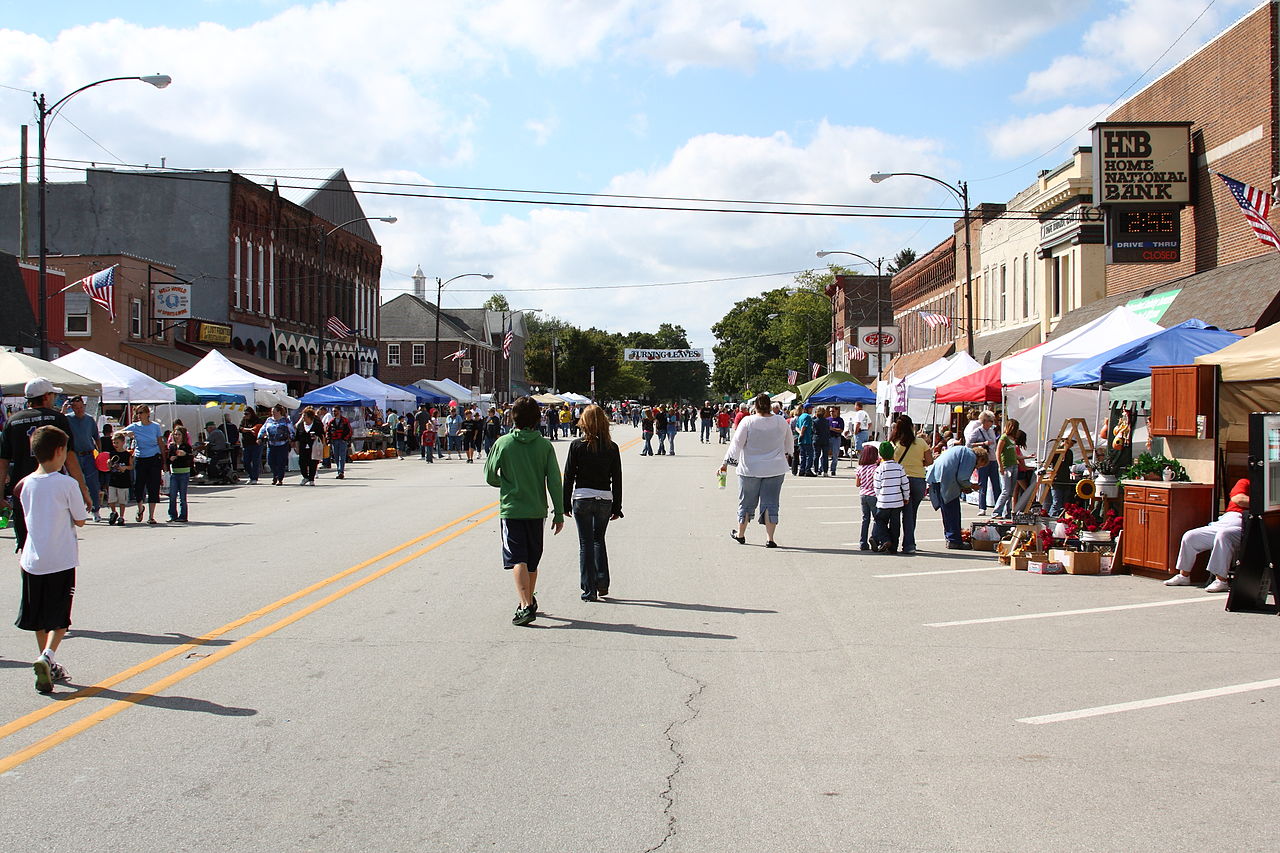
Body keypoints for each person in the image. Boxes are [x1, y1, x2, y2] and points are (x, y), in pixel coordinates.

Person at [15, 425, 89, 693]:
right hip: (61, 559)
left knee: (38, 616)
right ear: (59, 452)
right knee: (59, 619)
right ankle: (47, 656)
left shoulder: (24, 485)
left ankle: (45, 659)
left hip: (33, 560)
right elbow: (80, 519)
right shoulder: (67, 483)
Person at [484, 396, 564, 627]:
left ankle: (526, 605)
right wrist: (558, 512)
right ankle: (528, 598)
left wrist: (508, 484)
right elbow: (554, 482)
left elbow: (490, 476)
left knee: (516, 558)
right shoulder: (545, 446)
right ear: (538, 419)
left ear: (513, 417)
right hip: (537, 510)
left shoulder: (503, 443)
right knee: (531, 560)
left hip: (512, 509)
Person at [0, 379, 92, 550]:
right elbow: (70, 456)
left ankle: (29, 573)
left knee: (26, 544)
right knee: (55, 539)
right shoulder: (58, 419)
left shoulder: (12, 422)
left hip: (23, 489)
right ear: (46, 397)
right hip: (53, 486)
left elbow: (3, 461)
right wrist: (83, 488)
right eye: (53, 395)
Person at [562, 405, 623, 602]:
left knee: (585, 543)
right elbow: (617, 478)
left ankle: (589, 589)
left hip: (583, 497)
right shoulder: (612, 447)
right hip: (605, 498)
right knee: (599, 539)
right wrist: (617, 506)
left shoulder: (577, 445)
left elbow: (569, 476)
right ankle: (602, 582)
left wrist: (565, 503)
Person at [720, 393, 794, 548]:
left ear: (755, 406)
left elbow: (736, 444)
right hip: (775, 468)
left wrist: (726, 463)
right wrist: (788, 455)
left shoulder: (748, 421)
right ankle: (770, 538)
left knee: (746, 502)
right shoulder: (780, 421)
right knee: (771, 503)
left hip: (750, 469)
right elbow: (789, 442)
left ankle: (741, 534)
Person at [1165, 478, 1250, 593]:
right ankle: (1184, 576)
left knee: (1223, 535)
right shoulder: (1245, 482)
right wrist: (1262, 501)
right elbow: (1238, 499)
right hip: (1226, 519)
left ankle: (1221, 580)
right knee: (1190, 536)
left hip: (1245, 523)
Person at [926, 444, 988, 549]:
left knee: (947, 512)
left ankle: (950, 537)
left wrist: (964, 487)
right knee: (953, 512)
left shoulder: (962, 450)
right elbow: (962, 478)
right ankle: (954, 540)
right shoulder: (971, 456)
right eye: (980, 465)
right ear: (980, 458)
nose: (977, 468)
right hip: (946, 481)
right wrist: (971, 485)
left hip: (937, 477)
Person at [889, 415, 933, 555]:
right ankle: (909, 543)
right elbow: (930, 461)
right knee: (911, 513)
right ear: (912, 427)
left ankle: (898, 543)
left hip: (900, 480)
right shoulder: (920, 442)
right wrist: (919, 463)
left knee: (899, 513)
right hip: (919, 479)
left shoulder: (894, 443)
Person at [118, 405, 165, 525]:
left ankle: (151, 515)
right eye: (137, 413)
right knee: (138, 485)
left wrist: (164, 461)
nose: (139, 415)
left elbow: (160, 443)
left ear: (147, 413)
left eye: (141, 412)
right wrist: (126, 432)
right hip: (140, 457)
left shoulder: (155, 426)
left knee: (153, 486)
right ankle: (140, 508)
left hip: (154, 457)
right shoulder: (135, 426)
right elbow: (118, 432)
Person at [65, 396, 102, 522]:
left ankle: (95, 510)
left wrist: (100, 454)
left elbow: (96, 437)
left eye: (81, 407)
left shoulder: (89, 420)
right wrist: (63, 410)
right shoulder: (67, 419)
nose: (79, 410)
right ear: (72, 408)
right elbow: (58, 424)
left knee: (93, 483)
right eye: (76, 408)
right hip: (74, 455)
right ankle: (77, 511)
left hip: (88, 455)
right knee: (74, 484)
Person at [871, 441, 910, 553]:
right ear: (893, 453)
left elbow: (877, 486)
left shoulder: (879, 469)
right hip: (897, 501)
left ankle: (885, 539)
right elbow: (905, 483)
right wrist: (906, 496)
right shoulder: (899, 467)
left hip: (883, 501)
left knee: (880, 521)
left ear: (881, 455)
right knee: (895, 524)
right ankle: (894, 547)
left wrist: (879, 497)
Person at [965, 410, 1001, 516]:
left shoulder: (991, 431)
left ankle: (998, 507)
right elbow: (968, 444)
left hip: (993, 459)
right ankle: (982, 507)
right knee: (982, 484)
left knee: (996, 484)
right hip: (983, 460)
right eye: (990, 421)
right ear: (984, 421)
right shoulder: (977, 431)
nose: (992, 423)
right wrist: (982, 443)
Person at [990, 418, 1021, 519]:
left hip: (1014, 465)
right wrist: (1000, 466)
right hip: (1006, 466)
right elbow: (998, 452)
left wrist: (1026, 457)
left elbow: (1014, 455)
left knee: (1010, 492)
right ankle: (996, 512)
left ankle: (1006, 512)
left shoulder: (1012, 439)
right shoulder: (1004, 438)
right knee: (1006, 491)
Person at [258, 404, 295, 485]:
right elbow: (263, 429)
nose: (272, 413)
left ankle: (280, 478)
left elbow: (291, 430)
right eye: (272, 412)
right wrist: (259, 437)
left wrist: (292, 439)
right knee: (271, 461)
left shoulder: (285, 420)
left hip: (282, 444)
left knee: (281, 462)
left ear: (279, 412)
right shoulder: (269, 420)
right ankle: (275, 475)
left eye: (274, 412)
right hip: (271, 444)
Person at [105, 431, 133, 525]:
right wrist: (109, 464)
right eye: (114, 442)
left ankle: (121, 517)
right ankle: (113, 513)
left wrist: (125, 468)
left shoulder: (127, 454)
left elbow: (131, 466)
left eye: (117, 442)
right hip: (113, 479)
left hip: (124, 480)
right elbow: (109, 468)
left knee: (122, 500)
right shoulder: (112, 454)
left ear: (123, 442)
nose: (115, 444)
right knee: (111, 499)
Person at [167, 425, 193, 522]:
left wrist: (184, 454)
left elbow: (190, 458)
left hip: (184, 472)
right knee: (172, 496)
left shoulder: (186, 446)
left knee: (182, 496)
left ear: (183, 436)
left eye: (179, 434)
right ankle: (172, 515)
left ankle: (183, 516)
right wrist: (171, 459)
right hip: (174, 473)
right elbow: (168, 459)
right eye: (175, 434)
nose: (177, 436)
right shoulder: (172, 446)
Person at [856, 443, 879, 551]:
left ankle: (862, 542)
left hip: (863, 494)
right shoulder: (875, 468)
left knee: (865, 519)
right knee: (877, 519)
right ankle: (875, 538)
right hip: (873, 495)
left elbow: (857, 484)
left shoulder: (860, 468)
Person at [295, 407, 324, 485]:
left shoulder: (317, 425)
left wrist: (316, 437)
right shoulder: (300, 425)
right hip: (303, 447)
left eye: (304, 416)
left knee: (313, 463)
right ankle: (305, 477)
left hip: (313, 447)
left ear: (310, 417)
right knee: (302, 463)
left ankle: (311, 479)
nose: (303, 418)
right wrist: (297, 447)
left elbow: (322, 435)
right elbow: (297, 437)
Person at [1048, 437, 1076, 516]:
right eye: (1071, 443)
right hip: (1057, 479)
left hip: (1066, 479)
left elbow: (1069, 464)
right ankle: (1052, 517)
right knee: (1056, 503)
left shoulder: (1069, 452)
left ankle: (1061, 518)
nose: (1072, 445)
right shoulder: (1056, 451)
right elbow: (1049, 462)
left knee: (1065, 503)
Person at [327, 407, 353, 479]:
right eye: (333, 412)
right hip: (334, 441)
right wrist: (328, 440)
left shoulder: (345, 421)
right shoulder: (331, 421)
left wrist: (345, 439)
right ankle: (339, 470)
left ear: (339, 411)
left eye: (335, 411)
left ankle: (341, 472)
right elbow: (328, 431)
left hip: (342, 441)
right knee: (336, 457)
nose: (334, 413)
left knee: (342, 457)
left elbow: (349, 431)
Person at [239, 409, 262, 484]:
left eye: (247, 414)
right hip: (246, 444)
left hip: (256, 444)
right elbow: (241, 429)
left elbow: (260, 429)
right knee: (246, 461)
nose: (245, 415)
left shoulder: (257, 420)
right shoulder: (244, 420)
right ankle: (250, 475)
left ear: (251, 413)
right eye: (244, 414)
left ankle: (254, 478)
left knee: (255, 461)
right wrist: (250, 430)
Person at [794, 403, 816, 477]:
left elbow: (796, 427)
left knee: (803, 456)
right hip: (807, 439)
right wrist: (802, 433)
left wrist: (800, 434)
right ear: (807, 409)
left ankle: (802, 470)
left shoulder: (800, 416)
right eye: (811, 408)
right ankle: (808, 470)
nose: (812, 410)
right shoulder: (807, 417)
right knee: (810, 455)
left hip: (801, 440)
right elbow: (804, 426)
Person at [825, 406, 844, 476]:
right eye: (830, 411)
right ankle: (822, 468)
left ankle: (833, 469)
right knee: (824, 454)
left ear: (836, 411)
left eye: (833, 411)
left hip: (836, 438)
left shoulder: (840, 420)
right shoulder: (827, 420)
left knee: (835, 455)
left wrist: (832, 429)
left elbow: (841, 430)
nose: (831, 413)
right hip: (828, 438)